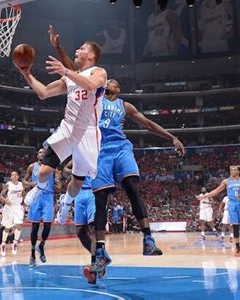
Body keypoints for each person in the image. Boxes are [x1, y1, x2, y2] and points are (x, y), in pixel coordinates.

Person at [48, 27, 185, 275]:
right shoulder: (92, 92)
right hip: (99, 150)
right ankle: (99, 253)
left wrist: (172, 136)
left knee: (132, 186)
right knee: (101, 201)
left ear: (117, 89)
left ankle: (148, 238)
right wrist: (59, 48)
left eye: (113, 82)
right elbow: (76, 74)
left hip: (120, 148)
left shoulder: (125, 105)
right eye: (107, 80)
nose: (109, 81)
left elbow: (149, 124)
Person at [14, 29, 107, 225]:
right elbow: (44, 93)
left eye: (81, 48)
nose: (77, 50)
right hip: (67, 128)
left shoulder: (99, 72)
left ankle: (66, 202)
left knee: (77, 183)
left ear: (91, 55)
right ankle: (38, 189)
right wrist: (27, 75)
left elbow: (90, 85)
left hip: (88, 133)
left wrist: (65, 70)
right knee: (43, 173)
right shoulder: (70, 78)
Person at [196, 166, 240, 257]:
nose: (233, 171)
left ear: (238, 171)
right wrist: (204, 197)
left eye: (235, 170)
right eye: (231, 170)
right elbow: (216, 191)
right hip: (232, 204)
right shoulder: (226, 181)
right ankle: (238, 247)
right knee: (235, 227)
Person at [23, 148, 62, 269]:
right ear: (37, 155)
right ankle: (33, 255)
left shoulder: (52, 168)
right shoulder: (31, 167)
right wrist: (31, 184)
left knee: (47, 224)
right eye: (40, 152)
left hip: (48, 196)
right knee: (34, 227)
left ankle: (42, 245)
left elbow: (59, 188)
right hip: (36, 196)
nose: (42, 154)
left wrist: (58, 179)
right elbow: (24, 181)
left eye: (44, 153)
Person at [62, 160, 99, 284]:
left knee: (94, 229)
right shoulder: (78, 155)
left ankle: (94, 267)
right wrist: (75, 173)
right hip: (79, 193)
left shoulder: (98, 153)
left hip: (94, 192)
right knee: (80, 232)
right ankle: (99, 258)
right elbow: (65, 170)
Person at [0, 171, 24, 257]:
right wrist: (5, 200)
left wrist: (22, 196)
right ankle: (3, 244)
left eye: (15, 175)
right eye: (12, 175)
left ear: (18, 176)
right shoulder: (8, 184)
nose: (13, 176)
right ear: (11, 177)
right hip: (9, 206)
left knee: (19, 224)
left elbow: (23, 193)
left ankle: (15, 243)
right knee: (7, 227)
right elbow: (1, 195)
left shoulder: (21, 184)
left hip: (17, 206)